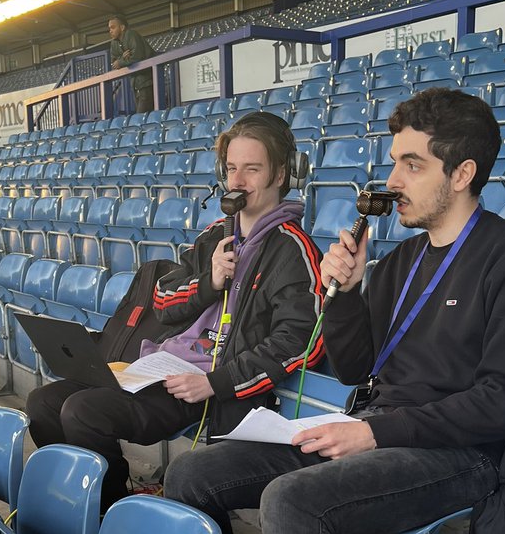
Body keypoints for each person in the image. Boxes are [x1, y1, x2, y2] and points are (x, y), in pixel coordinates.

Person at [163, 87, 505, 534]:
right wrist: (346, 297)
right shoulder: (401, 261)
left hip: (461, 452)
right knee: (192, 473)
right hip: (376, 427)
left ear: (462, 174)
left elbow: (503, 402)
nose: (393, 180)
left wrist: (376, 434)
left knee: (291, 502)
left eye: (412, 165)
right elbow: (357, 368)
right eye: (394, 162)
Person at [26, 110, 325, 512]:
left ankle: (113, 516)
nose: (238, 181)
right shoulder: (214, 236)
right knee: (44, 403)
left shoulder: (294, 251)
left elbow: (301, 341)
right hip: (157, 369)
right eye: (232, 168)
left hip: (206, 387)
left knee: (84, 412)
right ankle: (78, 507)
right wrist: (209, 282)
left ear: (282, 174)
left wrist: (216, 382)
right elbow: (163, 302)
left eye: (252, 169)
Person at [108, 14, 156, 113]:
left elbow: (137, 57)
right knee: (141, 116)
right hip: (134, 83)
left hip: (147, 80)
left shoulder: (131, 34)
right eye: (109, 28)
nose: (110, 31)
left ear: (122, 27)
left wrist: (120, 61)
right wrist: (122, 59)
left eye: (113, 27)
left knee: (141, 116)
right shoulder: (114, 43)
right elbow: (114, 63)